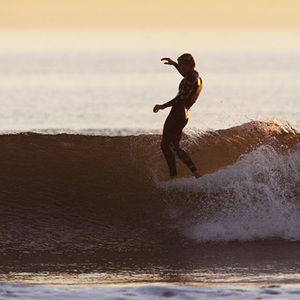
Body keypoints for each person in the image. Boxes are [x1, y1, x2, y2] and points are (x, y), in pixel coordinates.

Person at [153, 53, 203, 179]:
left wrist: (162, 106)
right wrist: (174, 64)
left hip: (177, 114)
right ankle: (195, 173)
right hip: (184, 115)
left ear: (188, 65)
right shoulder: (196, 77)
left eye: (181, 65)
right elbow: (186, 78)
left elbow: (181, 98)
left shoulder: (190, 78)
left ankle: (173, 176)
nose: (180, 67)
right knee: (174, 147)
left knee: (165, 145)